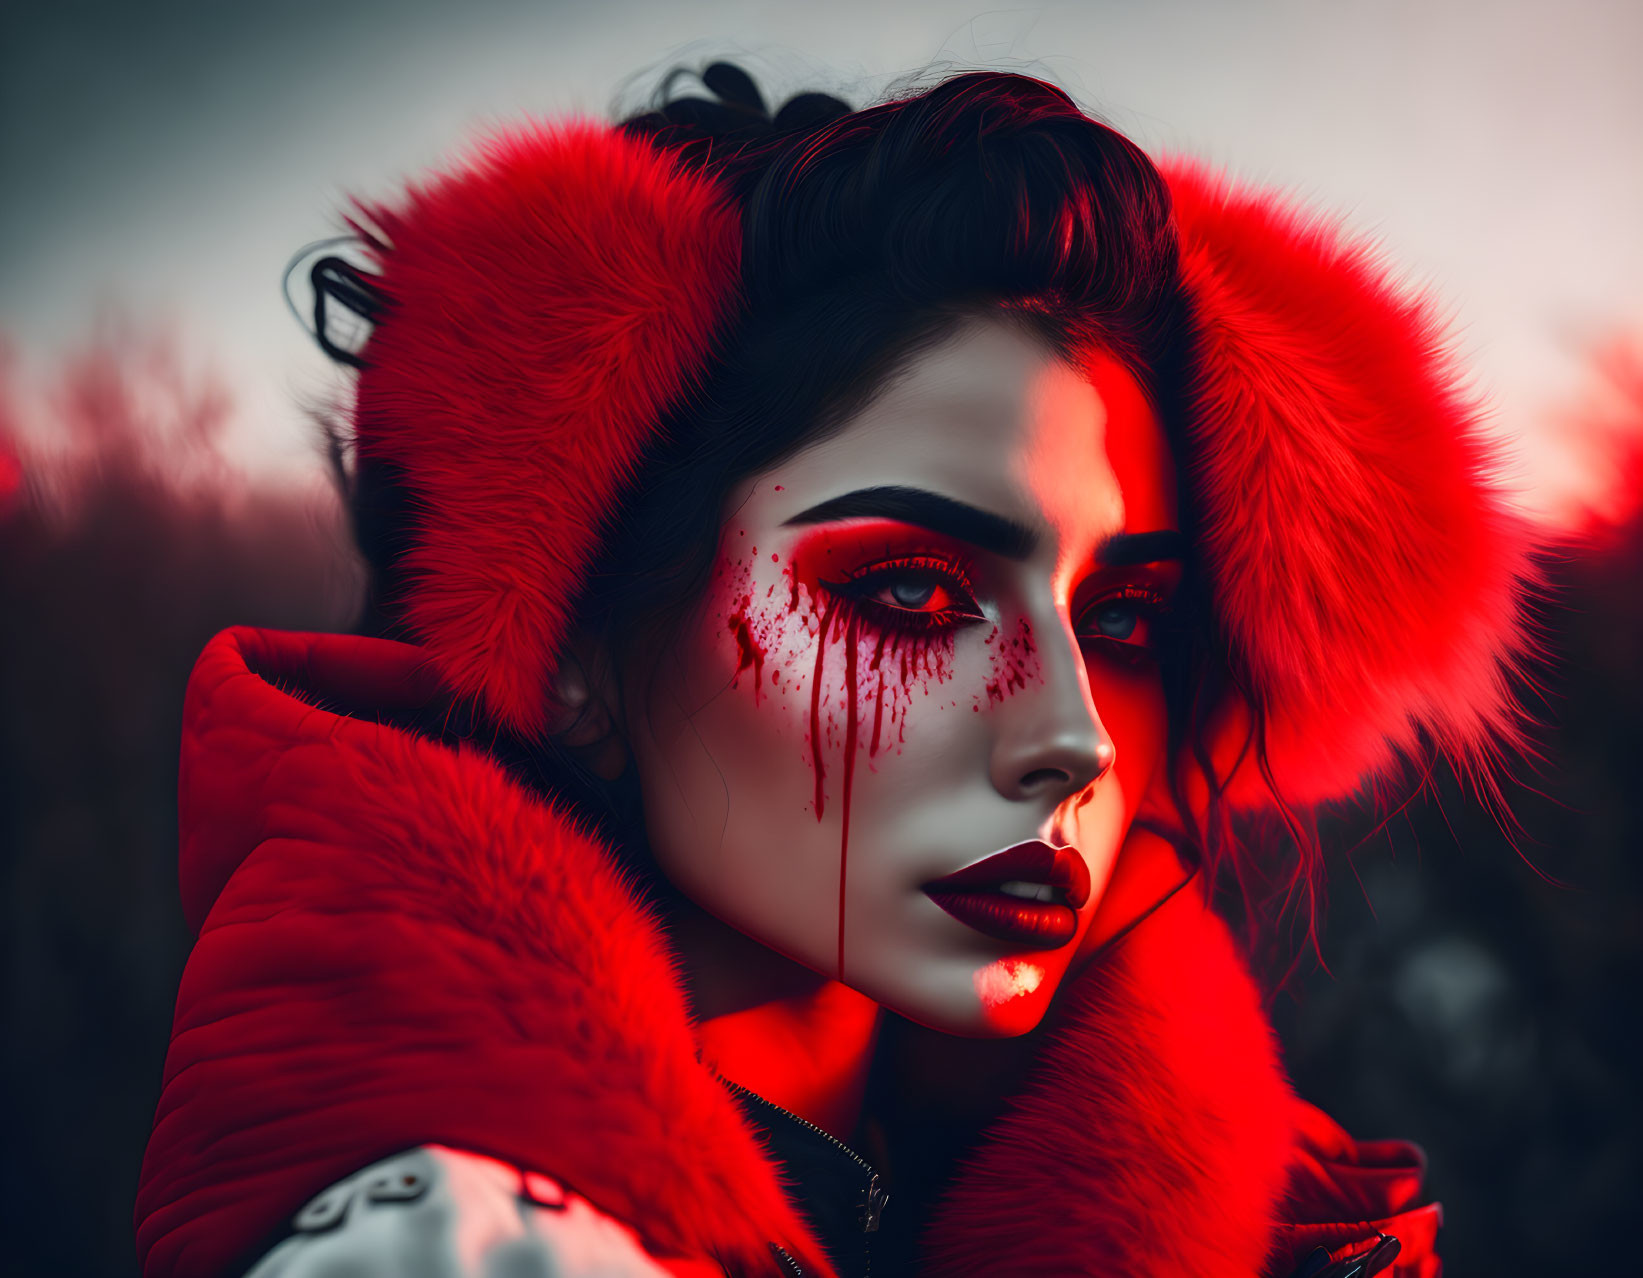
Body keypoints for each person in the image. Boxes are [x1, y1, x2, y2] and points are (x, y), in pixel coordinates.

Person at [134, 65, 1531, 1277]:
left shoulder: (1290, 1211)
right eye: (913, 594)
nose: (1075, 737)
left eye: (1124, 623)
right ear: (572, 651)